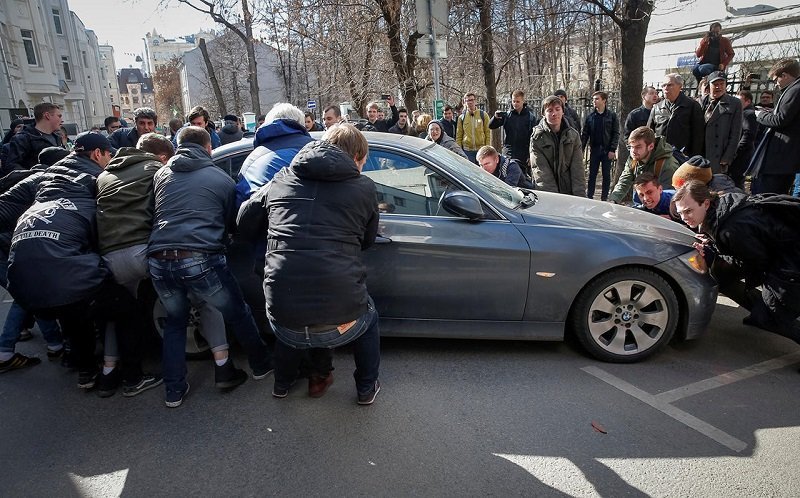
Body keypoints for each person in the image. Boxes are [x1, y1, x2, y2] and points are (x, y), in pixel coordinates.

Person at [147, 126, 273, 408]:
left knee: (176, 323)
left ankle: (174, 391)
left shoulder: (161, 175)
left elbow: (153, 212)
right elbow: (232, 224)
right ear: (208, 148)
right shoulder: (220, 179)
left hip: (158, 258)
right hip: (199, 256)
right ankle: (261, 365)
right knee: (237, 312)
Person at [263, 124, 381, 404]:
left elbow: (245, 218)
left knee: (295, 303)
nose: (362, 167)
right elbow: (367, 240)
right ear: (355, 157)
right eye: (363, 161)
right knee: (366, 315)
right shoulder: (363, 187)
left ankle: (285, 382)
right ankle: (366, 387)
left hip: (282, 321)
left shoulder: (281, 179)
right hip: (341, 321)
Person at [1, 134, 116, 389]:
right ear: (98, 154)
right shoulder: (99, 180)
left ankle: (73, 357)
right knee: (113, 301)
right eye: (109, 155)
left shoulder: (40, 178)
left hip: (21, 274)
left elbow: (4, 207)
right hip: (62, 269)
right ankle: (104, 369)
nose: (111, 161)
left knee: (69, 303)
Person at [673, 180, 800, 344]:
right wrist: (714, 244)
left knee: (769, 317)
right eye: (680, 213)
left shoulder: (731, 228)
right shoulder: (723, 205)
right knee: (722, 277)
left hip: (791, 262)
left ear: (705, 203)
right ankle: (760, 310)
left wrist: (713, 256)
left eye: (688, 211)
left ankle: (763, 314)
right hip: (784, 253)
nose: (684, 218)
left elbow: (755, 263)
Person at [0, 147, 67, 374]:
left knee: (31, 293)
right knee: (25, 294)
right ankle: (5, 351)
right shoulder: (41, 184)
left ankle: (55, 344)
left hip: (8, 245)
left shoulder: (24, 178)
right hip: (4, 247)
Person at [235, 103, 314, 206]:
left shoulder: (252, 160)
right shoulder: (318, 149)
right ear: (301, 124)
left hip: (267, 220)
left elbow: (241, 205)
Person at [750, 58, 800, 195]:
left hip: (780, 161)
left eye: (775, 79)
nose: (776, 84)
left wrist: (760, 115)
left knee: (767, 197)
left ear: (784, 75)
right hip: (783, 161)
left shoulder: (795, 90)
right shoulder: (793, 89)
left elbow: (780, 120)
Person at [529, 95, 585, 196]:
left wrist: (580, 197)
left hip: (568, 191)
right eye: (549, 110)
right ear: (543, 114)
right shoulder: (537, 138)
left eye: (557, 109)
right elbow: (541, 172)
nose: (554, 114)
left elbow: (578, 169)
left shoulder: (573, 136)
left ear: (563, 111)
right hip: (548, 193)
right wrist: (554, 199)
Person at [608, 126, 678, 204]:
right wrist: (613, 200)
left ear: (651, 146)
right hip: (642, 201)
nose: (633, 151)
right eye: (631, 147)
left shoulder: (667, 165)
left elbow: (670, 197)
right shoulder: (633, 159)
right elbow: (624, 182)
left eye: (638, 147)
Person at [648, 73, 705, 158]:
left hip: (683, 158)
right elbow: (649, 133)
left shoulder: (692, 106)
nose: (666, 88)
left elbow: (698, 136)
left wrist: (693, 158)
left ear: (680, 86)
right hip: (661, 156)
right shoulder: (657, 108)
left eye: (669, 85)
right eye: (663, 85)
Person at [1, 103, 65, 175]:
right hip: (36, 184)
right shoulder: (23, 138)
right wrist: (36, 175)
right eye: (59, 116)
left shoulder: (57, 137)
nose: (62, 120)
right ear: (47, 116)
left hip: (60, 182)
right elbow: (12, 166)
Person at [700, 71, 742, 174]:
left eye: (722, 84)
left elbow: (736, 133)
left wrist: (727, 157)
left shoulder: (734, 103)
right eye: (715, 84)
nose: (719, 87)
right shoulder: (701, 102)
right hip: (701, 152)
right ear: (709, 86)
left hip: (719, 155)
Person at [581, 91, 620, 200]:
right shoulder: (590, 117)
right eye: (593, 99)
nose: (594, 101)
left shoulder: (611, 116)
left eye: (597, 99)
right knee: (592, 174)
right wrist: (581, 150)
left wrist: (613, 149)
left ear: (604, 100)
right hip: (594, 149)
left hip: (607, 150)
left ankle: (604, 198)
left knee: (606, 175)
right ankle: (589, 196)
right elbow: (585, 135)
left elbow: (615, 133)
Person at [489, 90, 537, 173]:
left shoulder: (530, 117)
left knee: (522, 178)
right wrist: (495, 118)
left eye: (518, 101)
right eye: (513, 101)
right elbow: (491, 126)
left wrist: (530, 155)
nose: (515, 104)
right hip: (509, 152)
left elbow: (533, 138)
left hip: (523, 154)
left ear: (523, 101)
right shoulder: (508, 115)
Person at [730, 90, 757, 189]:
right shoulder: (741, 112)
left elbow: (748, 134)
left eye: (740, 101)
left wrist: (736, 151)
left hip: (742, 154)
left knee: (736, 181)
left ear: (748, 101)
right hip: (741, 153)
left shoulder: (748, 114)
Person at [456, 93, 491, 163]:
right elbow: (459, 135)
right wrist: (459, 150)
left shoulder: (483, 115)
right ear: (464, 102)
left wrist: (487, 148)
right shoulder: (461, 117)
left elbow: (488, 133)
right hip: (467, 151)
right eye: (467, 100)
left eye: (472, 100)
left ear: (475, 101)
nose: (470, 102)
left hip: (481, 150)